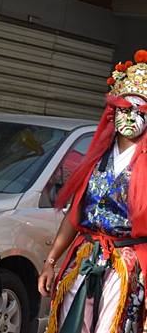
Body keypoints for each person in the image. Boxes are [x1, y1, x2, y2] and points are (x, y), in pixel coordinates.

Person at [38, 50, 147, 333]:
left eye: (140, 110)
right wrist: (51, 261)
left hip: (128, 262)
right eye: (125, 109)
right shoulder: (97, 156)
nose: (131, 117)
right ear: (113, 110)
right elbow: (74, 215)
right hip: (86, 254)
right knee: (71, 324)